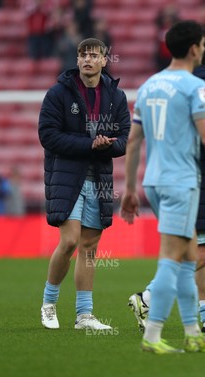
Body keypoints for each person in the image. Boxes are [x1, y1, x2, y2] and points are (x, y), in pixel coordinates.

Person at [120, 20, 205, 354]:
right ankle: (152, 333)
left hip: (153, 180)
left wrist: (128, 188)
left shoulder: (151, 84)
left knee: (186, 256)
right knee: (180, 259)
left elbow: (134, 139)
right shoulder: (197, 87)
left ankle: (192, 332)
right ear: (196, 48)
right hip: (181, 181)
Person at [38, 38, 130, 330]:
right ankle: (49, 303)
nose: (87, 59)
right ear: (77, 60)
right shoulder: (58, 93)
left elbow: (126, 139)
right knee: (69, 241)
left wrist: (107, 146)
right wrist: (90, 144)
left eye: (93, 55)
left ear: (104, 60)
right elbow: (48, 136)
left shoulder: (116, 97)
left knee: (90, 247)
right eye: (82, 55)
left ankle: (84, 316)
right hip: (67, 176)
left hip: (99, 178)